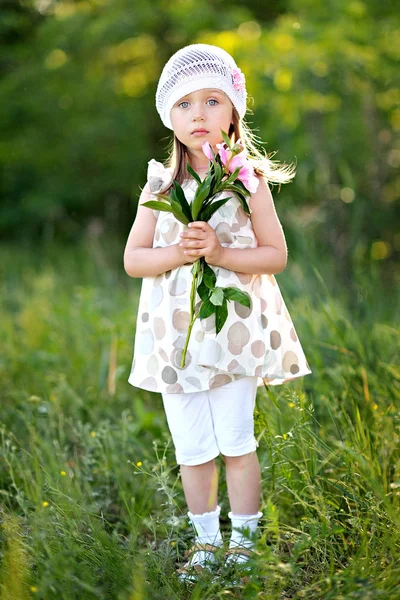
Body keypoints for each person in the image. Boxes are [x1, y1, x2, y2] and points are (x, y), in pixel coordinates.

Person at [124, 44, 312, 582]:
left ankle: (244, 546)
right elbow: (134, 260)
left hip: (233, 333)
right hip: (174, 336)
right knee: (193, 447)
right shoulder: (160, 183)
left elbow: (274, 255)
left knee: (235, 440)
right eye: (183, 105)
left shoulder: (245, 180)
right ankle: (206, 544)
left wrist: (222, 254)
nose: (198, 114)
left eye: (212, 100)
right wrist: (179, 251)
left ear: (233, 111)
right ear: (170, 118)